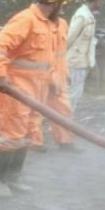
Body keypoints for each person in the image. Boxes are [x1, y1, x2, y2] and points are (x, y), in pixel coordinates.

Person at [0, 0, 70, 197]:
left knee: (27, 133)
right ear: (54, 2)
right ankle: (0, 181)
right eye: (62, 4)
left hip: (38, 88)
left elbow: (48, 59)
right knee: (12, 134)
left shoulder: (50, 25)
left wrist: (53, 81)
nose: (62, 8)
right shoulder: (26, 20)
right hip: (17, 87)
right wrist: (2, 77)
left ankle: (14, 178)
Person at [29, 13, 84, 153]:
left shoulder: (63, 24)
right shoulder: (32, 23)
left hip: (58, 75)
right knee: (36, 108)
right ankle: (35, 143)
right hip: (40, 75)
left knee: (63, 109)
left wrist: (65, 73)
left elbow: (61, 53)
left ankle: (65, 141)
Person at [66, 0, 105, 110]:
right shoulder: (82, 16)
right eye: (101, 1)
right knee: (71, 94)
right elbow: (68, 39)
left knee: (76, 93)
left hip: (83, 62)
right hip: (75, 62)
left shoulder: (89, 15)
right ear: (96, 0)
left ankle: (66, 119)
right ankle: (65, 121)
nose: (101, 4)